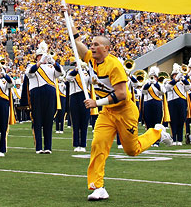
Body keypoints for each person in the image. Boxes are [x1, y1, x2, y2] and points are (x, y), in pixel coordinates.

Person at [70, 26, 172, 201]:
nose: (92, 47)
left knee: (132, 150)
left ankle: (157, 133)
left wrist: (97, 102)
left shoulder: (114, 64)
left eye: (96, 44)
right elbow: (81, 49)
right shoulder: (92, 60)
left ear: (106, 48)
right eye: (92, 44)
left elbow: (122, 94)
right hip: (107, 112)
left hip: (124, 111)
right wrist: (75, 35)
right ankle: (98, 186)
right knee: (98, 144)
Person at [24, 41, 63, 154]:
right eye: (41, 55)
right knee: (37, 119)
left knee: (48, 120)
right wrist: (40, 62)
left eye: (44, 55)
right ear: (37, 57)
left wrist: (53, 62)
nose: (44, 57)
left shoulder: (51, 66)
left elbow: (60, 73)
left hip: (50, 94)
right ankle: (38, 147)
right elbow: (30, 73)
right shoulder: (31, 66)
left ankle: (48, 147)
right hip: (37, 93)